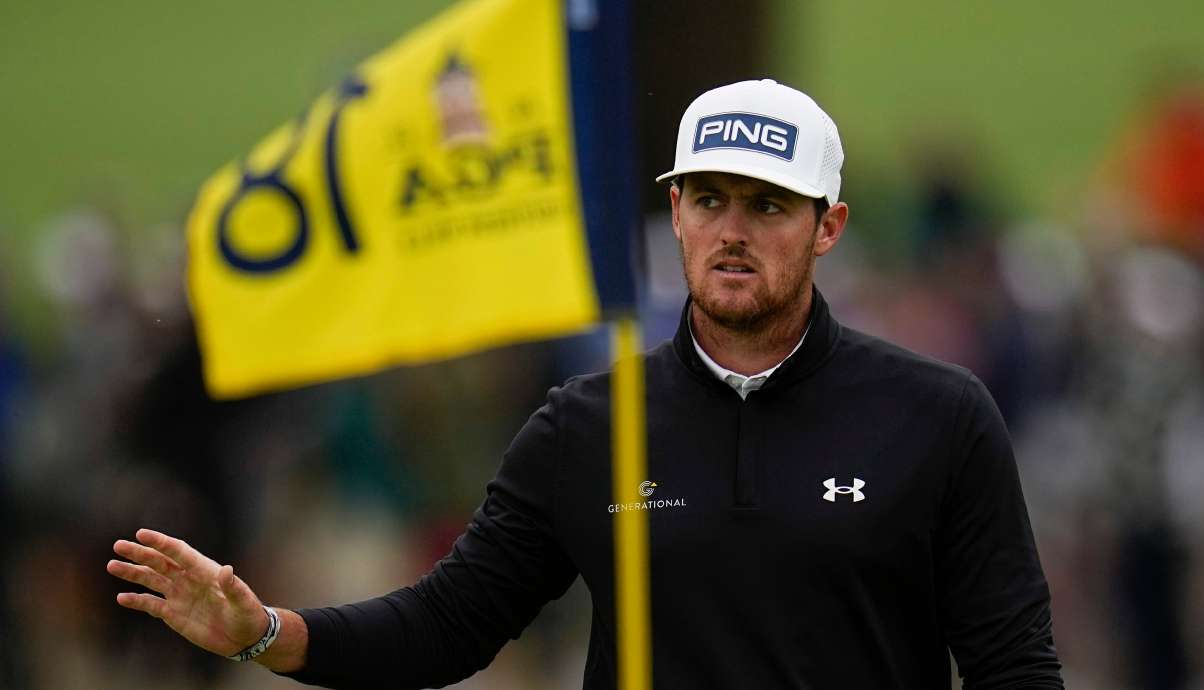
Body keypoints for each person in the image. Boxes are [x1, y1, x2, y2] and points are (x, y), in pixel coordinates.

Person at [109, 79, 1063, 688]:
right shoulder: (589, 424)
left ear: (829, 226)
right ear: (675, 214)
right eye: (710, 199)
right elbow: (448, 625)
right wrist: (265, 631)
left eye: (769, 206)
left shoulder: (938, 416)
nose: (734, 230)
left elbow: (1014, 667)